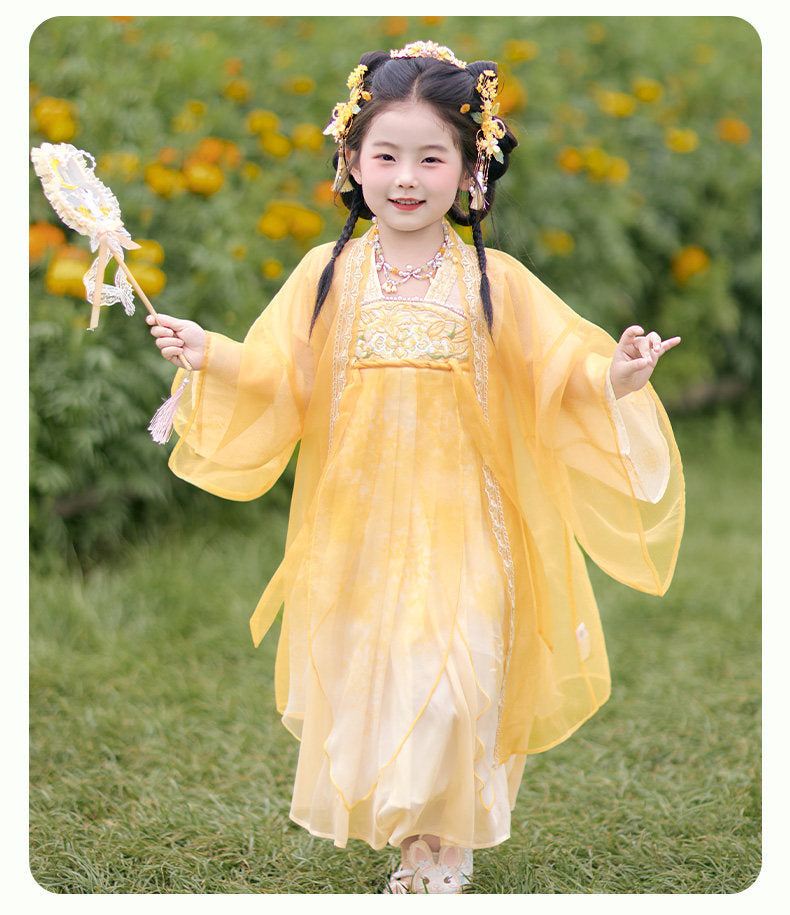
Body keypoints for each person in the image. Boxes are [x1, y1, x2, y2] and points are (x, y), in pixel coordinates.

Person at [147, 41, 684, 894]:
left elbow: (556, 368)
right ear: (349, 161)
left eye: (432, 157)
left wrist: (612, 375)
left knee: (455, 681)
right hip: (358, 528)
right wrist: (211, 352)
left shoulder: (490, 281)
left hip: (469, 522)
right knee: (389, 678)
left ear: (470, 170)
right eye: (385, 155)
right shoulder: (326, 276)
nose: (406, 177)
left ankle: (450, 834)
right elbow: (282, 375)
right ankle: (415, 846)